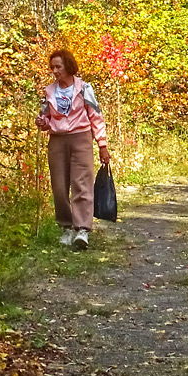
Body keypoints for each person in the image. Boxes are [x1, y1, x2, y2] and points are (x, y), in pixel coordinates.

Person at [36, 49, 110, 250]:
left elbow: (96, 117)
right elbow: (45, 118)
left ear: (68, 66)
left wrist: (102, 145)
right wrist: (42, 122)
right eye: (52, 67)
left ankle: (82, 230)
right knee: (59, 187)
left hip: (81, 138)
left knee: (82, 183)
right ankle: (66, 228)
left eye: (58, 66)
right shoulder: (49, 91)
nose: (55, 71)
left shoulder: (84, 88)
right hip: (57, 140)